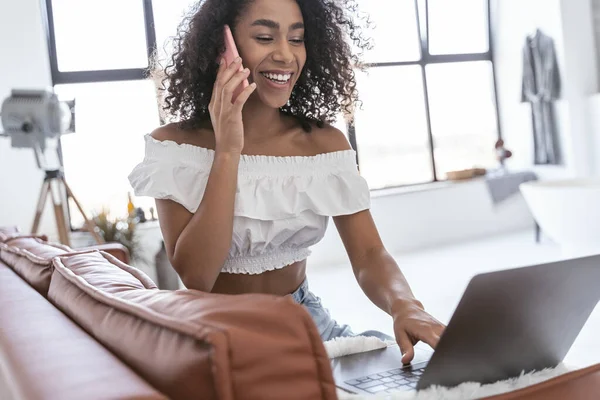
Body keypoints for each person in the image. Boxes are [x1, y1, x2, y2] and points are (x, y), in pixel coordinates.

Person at [129, 0, 445, 364]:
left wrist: (406, 305)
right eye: (265, 37)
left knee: (396, 369)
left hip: (308, 325)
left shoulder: (324, 145)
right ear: (223, 46)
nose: (285, 55)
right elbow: (196, 275)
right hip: (220, 336)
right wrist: (228, 151)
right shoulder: (176, 149)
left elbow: (370, 254)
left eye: (297, 39)